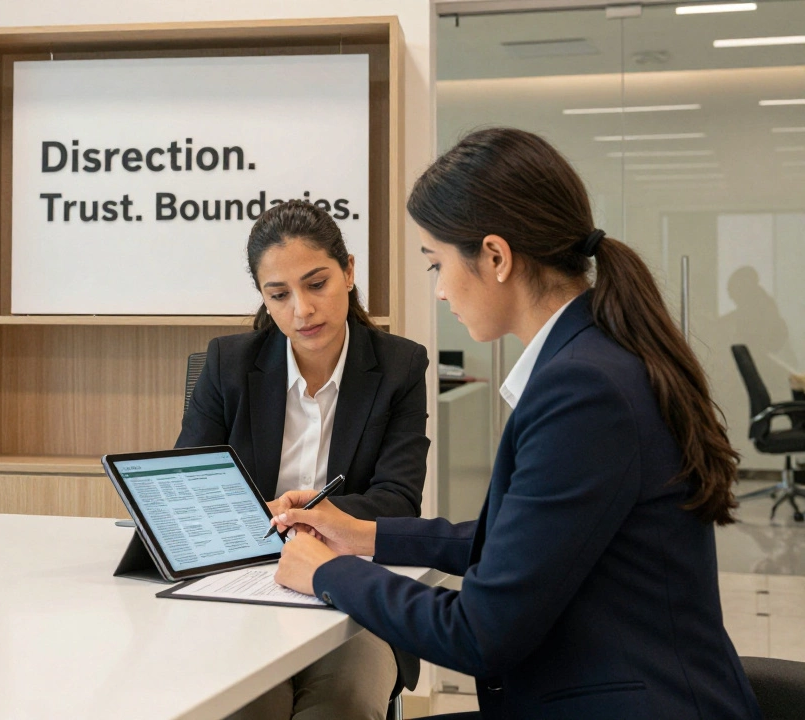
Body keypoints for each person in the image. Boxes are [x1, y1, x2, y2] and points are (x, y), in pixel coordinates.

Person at [271, 128, 763, 720]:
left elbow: (478, 632)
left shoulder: (584, 390)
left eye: (437, 265)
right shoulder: (594, 359)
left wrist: (330, 572)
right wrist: (365, 536)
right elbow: (526, 542)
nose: (441, 292)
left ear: (497, 257)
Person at [177, 199, 431, 719]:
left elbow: (398, 501)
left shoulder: (401, 366)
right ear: (264, 300)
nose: (302, 310)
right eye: (280, 294)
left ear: (349, 272)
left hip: (351, 590)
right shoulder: (228, 364)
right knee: (246, 707)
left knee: (342, 705)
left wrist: (300, 523)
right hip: (244, 591)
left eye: (317, 284)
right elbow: (190, 491)